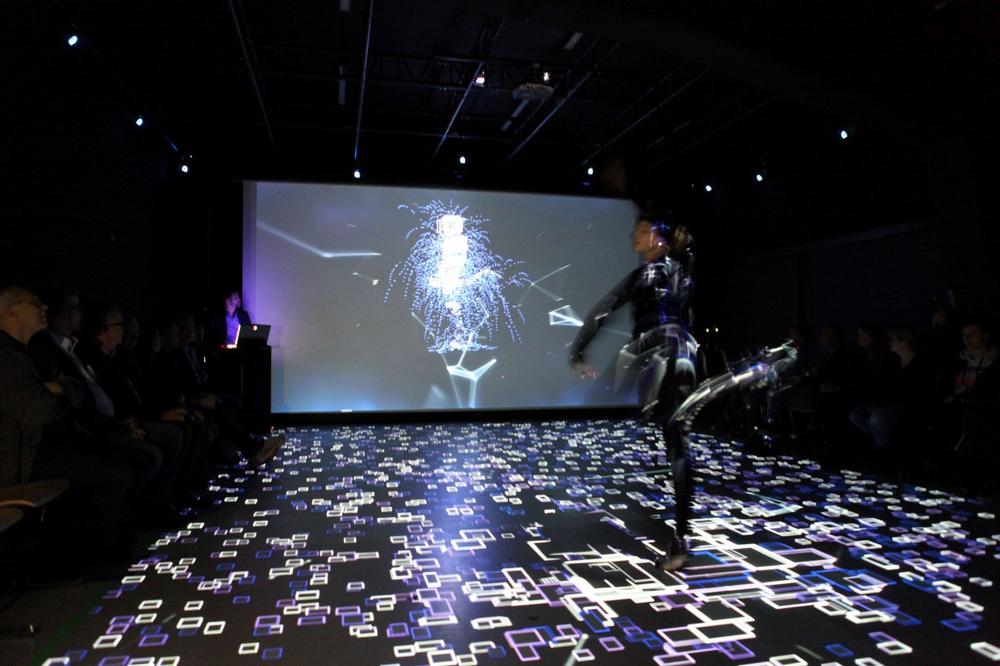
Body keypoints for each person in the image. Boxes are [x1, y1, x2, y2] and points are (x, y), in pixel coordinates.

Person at [570, 214, 697, 571]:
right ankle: (681, 535)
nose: (634, 236)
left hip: (667, 354)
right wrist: (579, 351)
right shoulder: (648, 273)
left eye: (643, 230)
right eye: (636, 230)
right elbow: (603, 311)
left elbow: (678, 296)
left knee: (676, 442)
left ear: (661, 238)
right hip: (667, 356)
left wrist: (579, 353)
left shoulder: (668, 268)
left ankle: (681, 537)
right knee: (674, 441)